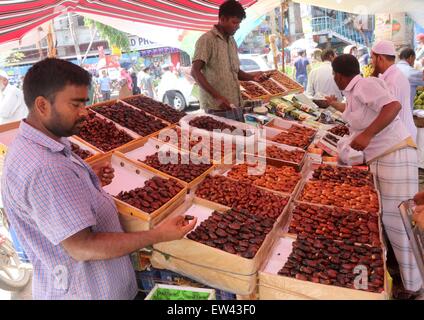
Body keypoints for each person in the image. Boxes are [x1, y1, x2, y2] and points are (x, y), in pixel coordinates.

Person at [1, 58, 197, 300]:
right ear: (42, 105)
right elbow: (83, 246)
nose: (85, 112)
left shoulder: (39, 144)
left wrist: (84, 182)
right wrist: (159, 234)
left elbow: (51, 204)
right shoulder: (45, 168)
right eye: (76, 104)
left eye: (85, 102)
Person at [327, 54, 422, 298]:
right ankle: (402, 273)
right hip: (383, 158)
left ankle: (413, 284)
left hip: (395, 155)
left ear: (338, 74)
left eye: (333, 74)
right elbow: (358, 120)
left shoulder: (365, 84)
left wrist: (367, 135)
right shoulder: (354, 90)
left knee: (399, 220)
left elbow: (393, 107)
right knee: (390, 218)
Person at [191, 0, 268, 122]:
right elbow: (195, 72)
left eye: (239, 23)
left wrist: (252, 77)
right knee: (223, 140)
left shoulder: (232, 42)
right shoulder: (207, 40)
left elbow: (235, 71)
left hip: (235, 105)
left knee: (239, 139)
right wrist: (217, 97)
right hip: (216, 108)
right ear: (222, 19)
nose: (237, 26)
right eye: (234, 22)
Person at [371, 40, 417, 142]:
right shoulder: (392, 75)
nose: (371, 62)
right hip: (401, 136)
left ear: (380, 58)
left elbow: (389, 113)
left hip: (401, 139)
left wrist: (367, 134)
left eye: (372, 58)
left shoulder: (392, 80)